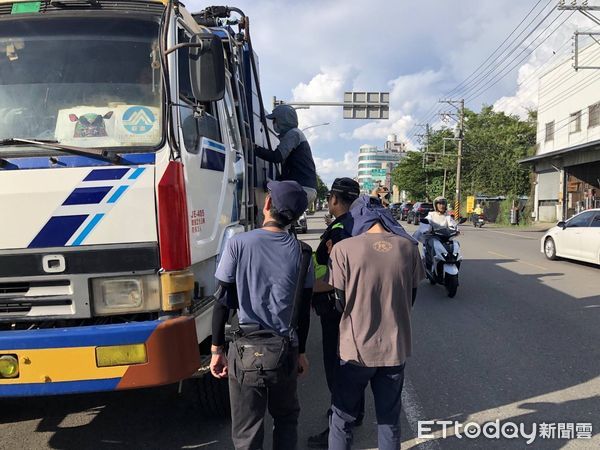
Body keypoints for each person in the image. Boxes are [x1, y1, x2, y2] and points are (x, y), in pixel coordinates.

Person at [209, 180, 314, 450]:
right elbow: (303, 310)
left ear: (267, 205)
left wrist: (216, 349)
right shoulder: (302, 253)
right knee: (287, 419)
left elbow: (222, 301)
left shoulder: (239, 244)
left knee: (247, 429)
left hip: (245, 350)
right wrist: (301, 351)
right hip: (285, 349)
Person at [327, 195, 425, 450]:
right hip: (394, 350)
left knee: (342, 419)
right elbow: (410, 298)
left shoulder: (343, 249)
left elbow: (339, 303)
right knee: (389, 420)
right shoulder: (409, 247)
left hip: (355, 351)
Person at [307, 178, 362, 449]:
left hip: (333, 306)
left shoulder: (340, 229)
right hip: (346, 306)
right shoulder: (354, 223)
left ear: (335, 200)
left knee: (336, 368)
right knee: (350, 363)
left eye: (330, 198)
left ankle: (339, 426)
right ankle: (355, 413)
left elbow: (339, 276)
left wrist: (308, 292)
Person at [254, 104, 318, 205]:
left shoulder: (293, 134)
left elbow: (277, 156)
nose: (274, 123)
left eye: (275, 120)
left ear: (282, 120)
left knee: (276, 216)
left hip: (301, 188)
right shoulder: (295, 134)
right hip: (304, 188)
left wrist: (254, 149)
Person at [414, 196, 458, 270]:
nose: (441, 206)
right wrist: (426, 229)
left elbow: (452, 224)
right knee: (433, 244)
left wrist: (457, 229)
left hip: (445, 237)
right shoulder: (431, 215)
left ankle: (453, 260)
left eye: (443, 204)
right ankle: (431, 263)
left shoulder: (447, 216)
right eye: (439, 204)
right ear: (436, 205)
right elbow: (426, 223)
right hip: (433, 237)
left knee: (455, 244)